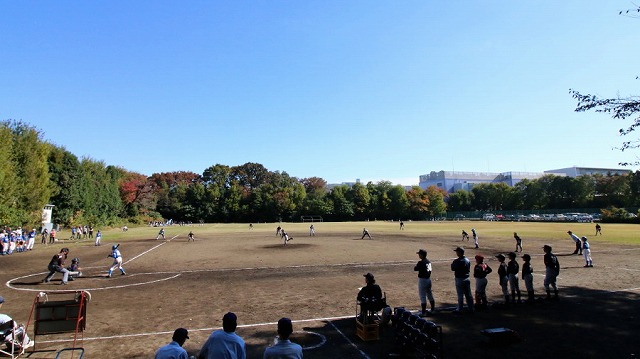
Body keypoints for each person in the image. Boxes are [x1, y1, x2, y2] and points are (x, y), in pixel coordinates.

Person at [450, 247, 474, 313]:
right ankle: (471, 308)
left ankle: (460, 309)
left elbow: (453, 268)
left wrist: (454, 263)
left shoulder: (458, 261)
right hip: (467, 278)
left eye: (457, 252)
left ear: (460, 252)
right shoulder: (467, 260)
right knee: (468, 295)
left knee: (460, 295)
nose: (456, 253)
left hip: (460, 279)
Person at [414, 249, 435, 316]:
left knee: (422, 296)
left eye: (419, 254)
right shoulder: (428, 262)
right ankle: (432, 309)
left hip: (422, 280)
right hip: (428, 279)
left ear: (422, 255)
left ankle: (423, 312)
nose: (419, 255)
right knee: (429, 294)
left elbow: (415, 268)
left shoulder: (421, 262)